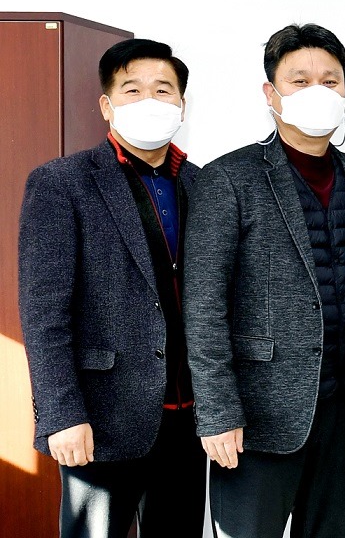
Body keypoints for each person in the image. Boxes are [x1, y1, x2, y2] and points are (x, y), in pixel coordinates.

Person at [183, 23, 345, 538]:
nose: (319, 92)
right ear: (271, 93)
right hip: (256, 417)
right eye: (300, 81)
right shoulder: (229, 179)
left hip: (341, 408)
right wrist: (217, 412)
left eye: (330, 81)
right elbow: (203, 306)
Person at [18, 38, 204, 537]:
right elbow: (43, 313)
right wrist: (61, 414)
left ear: (182, 105)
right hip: (100, 419)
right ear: (107, 105)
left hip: (190, 419)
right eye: (132, 90)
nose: (149, 101)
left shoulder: (202, 184)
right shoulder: (62, 183)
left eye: (163, 90)